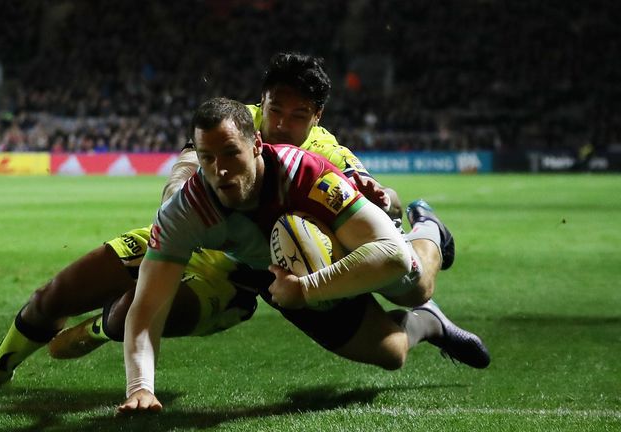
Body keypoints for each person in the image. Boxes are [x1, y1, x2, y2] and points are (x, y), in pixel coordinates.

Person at [0, 53, 471, 386]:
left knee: (402, 324)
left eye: (296, 115)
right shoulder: (235, 131)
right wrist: (189, 187)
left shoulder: (323, 157)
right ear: (260, 107)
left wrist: (394, 205)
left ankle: (431, 245)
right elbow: (189, 163)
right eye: (274, 110)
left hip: (282, 268)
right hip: (203, 248)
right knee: (58, 292)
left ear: (317, 117)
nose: (280, 124)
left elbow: (380, 204)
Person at [118, 97, 487, 412]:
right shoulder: (184, 210)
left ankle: (429, 228)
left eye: (231, 152)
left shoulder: (303, 172)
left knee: (415, 284)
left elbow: (392, 256)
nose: (221, 170)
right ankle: (430, 322)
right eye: (208, 158)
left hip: (344, 247)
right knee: (391, 353)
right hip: (281, 271)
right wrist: (140, 387)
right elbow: (148, 307)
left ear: (256, 144)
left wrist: (307, 290)